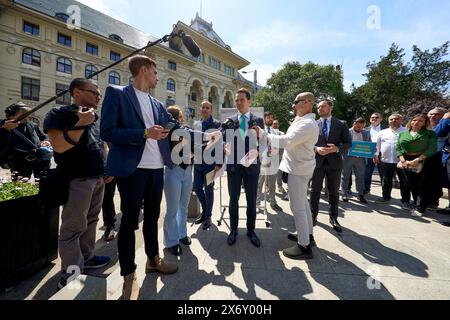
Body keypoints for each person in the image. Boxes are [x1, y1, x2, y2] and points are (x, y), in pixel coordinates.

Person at [100, 55, 217, 300]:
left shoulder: (156, 103)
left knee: (153, 217)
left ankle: (153, 260)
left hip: (156, 168)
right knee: (130, 223)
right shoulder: (117, 93)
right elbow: (107, 131)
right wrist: (143, 132)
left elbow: (177, 128)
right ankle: (128, 275)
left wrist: (208, 138)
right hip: (133, 169)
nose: (157, 77)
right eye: (154, 72)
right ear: (143, 70)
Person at [44, 78, 111, 289]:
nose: (98, 97)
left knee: (91, 221)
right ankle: (71, 272)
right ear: (76, 92)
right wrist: (81, 123)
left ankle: (87, 258)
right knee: (73, 228)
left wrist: (106, 167)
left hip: (97, 178)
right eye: (93, 93)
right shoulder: (59, 114)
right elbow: (59, 146)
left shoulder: (96, 117)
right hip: (77, 179)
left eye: (99, 94)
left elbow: (101, 144)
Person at [268, 93, 319, 259]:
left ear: (305, 103)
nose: (293, 105)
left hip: (299, 170)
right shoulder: (302, 121)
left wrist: (264, 135)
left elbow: (286, 141)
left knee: (297, 207)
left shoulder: (308, 123)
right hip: (298, 167)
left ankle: (303, 246)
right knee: (303, 204)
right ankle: (307, 236)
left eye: (295, 102)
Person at [224, 88, 265, 248]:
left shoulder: (258, 121)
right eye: (237, 100)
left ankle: (251, 230)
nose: (239, 103)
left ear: (249, 101)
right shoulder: (229, 120)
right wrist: (224, 147)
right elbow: (224, 140)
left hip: (251, 167)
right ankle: (233, 230)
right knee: (233, 199)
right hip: (234, 167)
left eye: (242, 99)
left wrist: (257, 153)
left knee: (251, 200)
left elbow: (263, 142)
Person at [310, 100, 352, 233]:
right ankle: (313, 215)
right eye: (318, 107)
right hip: (317, 162)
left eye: (323, 106)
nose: (320, 109)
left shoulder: (341, 124)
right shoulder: (313, 124)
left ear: (330, 107)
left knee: (333, 192)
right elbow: (306, 143)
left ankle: (333, 217)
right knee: (315, 190)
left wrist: (337, 149)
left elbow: (348, 143)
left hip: (334, 163)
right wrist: (316, 148)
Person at [163, 106, 195, 256]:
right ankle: (171, 241)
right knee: (172, 209)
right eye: (179, 116)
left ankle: (182, 234)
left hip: (188, 170)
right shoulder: (167, 131)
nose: (181, 119)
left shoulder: (186, 130)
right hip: (173, 170)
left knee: (184, 206)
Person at [397, 114, 438, 217]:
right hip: (406, 160)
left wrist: (418, 159)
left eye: (420, 121)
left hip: (423, 159)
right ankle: (415, 203)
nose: (416, 122)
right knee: (410, 184)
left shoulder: (430, 134)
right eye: (414, 120)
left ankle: (420, 208)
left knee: (422, 185)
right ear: (411, 121)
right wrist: (403, 161)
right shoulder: (403, 134)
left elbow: (432, 148)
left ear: (424, 123)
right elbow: (398, 149)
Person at [0, 103, 51, 179]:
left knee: (42, 182)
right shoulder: (4, 125)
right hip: (19, 162)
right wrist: (4, 129)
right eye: (24, 114)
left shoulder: (33, 125)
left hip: (39, 159)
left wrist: (46, 141)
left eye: (29, 113)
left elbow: (44, 137)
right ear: (11, 115)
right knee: (20, 185)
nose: (28, 116)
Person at [193, 100, 221, 230]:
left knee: (209, 190)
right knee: (197, 187)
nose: (204, 109)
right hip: (198, 163)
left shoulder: (216, 124)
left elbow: (220, 144)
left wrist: (218, 163)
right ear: (200, 109)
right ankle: (205, 211)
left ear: (211, 110)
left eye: (207, 107)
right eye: (202, 107)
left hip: (210, 164)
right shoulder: (196, 124)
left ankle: (208, 216)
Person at [374, 114, 409, 205]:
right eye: (391, 119)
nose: (394, 120)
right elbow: (377, 146)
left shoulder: (407, 131)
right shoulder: (382, 132)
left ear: (401, 120)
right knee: (386, 180)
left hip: (402, 161)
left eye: (396, 119)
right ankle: (386, 197)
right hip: (385, 160)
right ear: (388, 121)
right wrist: (376, 156)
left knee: (404, 181)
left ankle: (405, 201)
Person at [341, 118, 371, 204]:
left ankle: (360, 194)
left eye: (361, 127)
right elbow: (341, 143)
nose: (359, 129)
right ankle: (344, 193)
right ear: (354, 124)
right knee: (345, 176)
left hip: (361, 158)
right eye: (357, 127)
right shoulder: (347, 131)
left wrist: (372, 149)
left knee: (360, 177)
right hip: (348, 157)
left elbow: (369, 143)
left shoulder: (366, 133)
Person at [256, 112, 281, 211]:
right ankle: (257, 203)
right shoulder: (260, 131)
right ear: (264, 119)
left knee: (272, 183)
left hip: (273, 161)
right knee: (259, 183)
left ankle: (273, 202)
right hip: (262, 161)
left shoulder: (276, 132)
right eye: (268, 117)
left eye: (272, 117)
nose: (270, 119)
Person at [427, 108, 447, 210]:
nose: (433, 116)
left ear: (442, 116)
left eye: (437, 114)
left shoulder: (445, 127)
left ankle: (433, 202)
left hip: (438, 157)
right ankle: (423, 200)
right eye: (431, 114)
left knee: (436, 181)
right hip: (424, 156)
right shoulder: (424, 127)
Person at [365, 113, 388, 194]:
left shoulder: (386, 129)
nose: (374, 118)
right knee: (367, 172)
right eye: (372, 117)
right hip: (369, 153)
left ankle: (385, 193)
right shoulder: (365, 129)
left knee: (383, 174)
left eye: (376, 117)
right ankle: (366, 189)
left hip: (382, 153)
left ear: (381, 119)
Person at [101, 143, 117, 242]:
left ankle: (110, 225)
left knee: (108, 198)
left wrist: (112, 169)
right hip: (98, 169)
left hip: (111, 168)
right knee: (106, 199)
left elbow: (114, 149)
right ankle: (109, 224)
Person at [273, 120, 287, 195]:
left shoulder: (282, 134)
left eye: (277, 124)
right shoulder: (269, 133)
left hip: (280, 156)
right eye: (274, 124)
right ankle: (268, 186)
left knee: (279, 172)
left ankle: (279, 185)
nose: (275, 125)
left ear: (278, 125)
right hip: (270, 156)